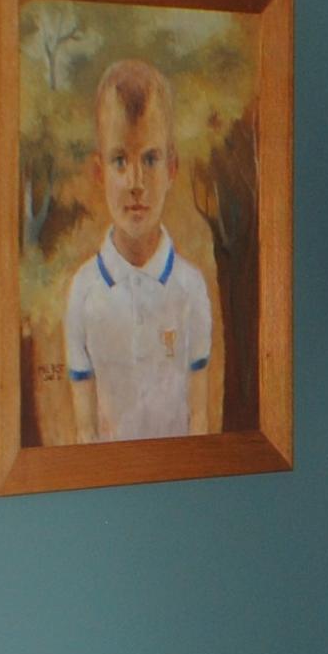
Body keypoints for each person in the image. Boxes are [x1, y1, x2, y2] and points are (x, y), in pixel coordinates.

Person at [67, 58, 215, 441]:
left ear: (172, 169)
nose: (136, 183)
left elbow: (199, 421)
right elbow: (85, 433)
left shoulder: (191, 288)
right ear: (99, 172)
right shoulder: (83, 293)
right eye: (120, 161)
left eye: (150, 159)